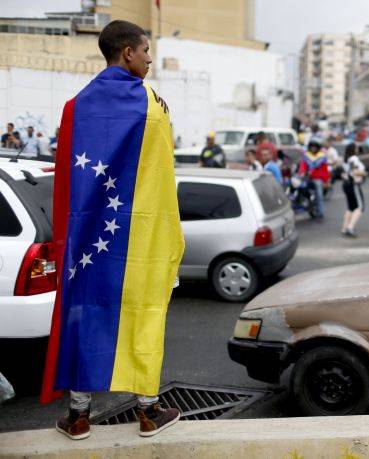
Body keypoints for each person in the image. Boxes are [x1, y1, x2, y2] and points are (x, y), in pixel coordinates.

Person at [42, 19, 184, 440]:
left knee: (86, 317)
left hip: (89, 240)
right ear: (127, 53)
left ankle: (79, 416)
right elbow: (160, 177)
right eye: (145, 52)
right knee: (144, 316)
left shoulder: (76, 105)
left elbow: (70, 175)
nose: (149, 59)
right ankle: (148, 412)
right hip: (140, 238)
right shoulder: (152, 103)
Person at [298, 140, 329, 220]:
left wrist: (326, 181)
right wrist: (302, 172)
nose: (313, 149)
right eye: (312, 147)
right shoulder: (306, 156)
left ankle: (320, 213)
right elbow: (302, 166)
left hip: (317, 179)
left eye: (315, 147)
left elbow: (325, 170)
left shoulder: (322, 157)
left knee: (319, 195)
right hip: (307, 178)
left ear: (318, 148)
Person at [340, 143, 366, 238]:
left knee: (351, 207)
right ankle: (350, 228)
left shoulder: (346, 159)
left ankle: (344, 227)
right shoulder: (354, 159)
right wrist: (363, 173)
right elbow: (354, 171)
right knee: (360, 207)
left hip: (346, 184)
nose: (357, 149)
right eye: (356, 148)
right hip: (353, 184)